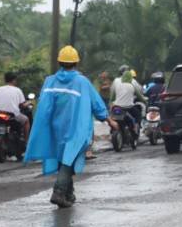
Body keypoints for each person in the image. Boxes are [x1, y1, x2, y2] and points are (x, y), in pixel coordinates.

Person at [24, 46, 118, 208]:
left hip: (55, 127)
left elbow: (44, 105)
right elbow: (96, 104)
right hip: (76, 128)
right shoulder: (82, 82)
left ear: (60, 62)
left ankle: (69, 193)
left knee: (64, 157)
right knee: (69, 159)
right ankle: (58, 191)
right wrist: (109, 120)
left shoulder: (50, 80)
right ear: (76, 63)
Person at [0, 72, 31, 139]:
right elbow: (21, 106)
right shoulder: (18, 90)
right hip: (13, 115)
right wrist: (28, 103)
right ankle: (26, 142)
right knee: (26, 120)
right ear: (14, 80)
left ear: (5, 80)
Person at [110, 69, 147, 134]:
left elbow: (112, 97)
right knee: (138, 115)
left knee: (112, 117)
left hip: (117, 106)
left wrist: (112, 103)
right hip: (129, 107)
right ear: (131, 78)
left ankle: (112, 129)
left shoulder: (117, 83)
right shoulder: (132, 85)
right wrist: (145, 102)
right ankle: (136, 128)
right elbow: (140, 97)